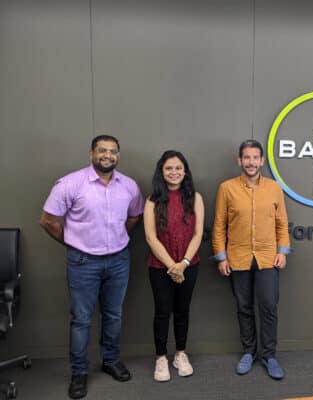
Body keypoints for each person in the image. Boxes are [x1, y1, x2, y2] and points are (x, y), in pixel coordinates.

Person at [39, 134, 144, 399]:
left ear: (118, 156)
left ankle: (110, 360)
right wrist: (74, 243)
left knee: (113, 315)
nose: (107, 155)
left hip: (119, 260)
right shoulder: (70, 184)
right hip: (83, 262)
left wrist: (118, 238)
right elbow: (48, 221)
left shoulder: (129, 186)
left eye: (112, 151)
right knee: (81, 320)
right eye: (102, 150)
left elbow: (134, 216)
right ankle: (79, 372)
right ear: (91, 154)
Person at [212, 139, 291, 380]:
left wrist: (282, 251)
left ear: (262, 161)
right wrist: (221, 257)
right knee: (243, 306)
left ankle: (269, 355)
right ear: (239, 160)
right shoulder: (227, 188)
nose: (251, 162)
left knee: (269, 306)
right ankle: (249, 352)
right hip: (238, 257)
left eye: (255, 157)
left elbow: (282, 223)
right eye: (246, 157)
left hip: (268, 257)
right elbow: (219, 225)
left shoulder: (274, 188)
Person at [143, 150, 204, 382]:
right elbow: (150, 237)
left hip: (189, 264)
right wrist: (173, 266)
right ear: (161, 171)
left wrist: (184, 263)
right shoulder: (152, 200)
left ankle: (180, 354)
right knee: (162, 312)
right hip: (160, 267)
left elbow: (198, 234)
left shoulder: (195, 198)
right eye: (169, 168)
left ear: (185, 171)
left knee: (182, 311)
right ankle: (161, 358)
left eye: (178, 168)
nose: (174, 172)